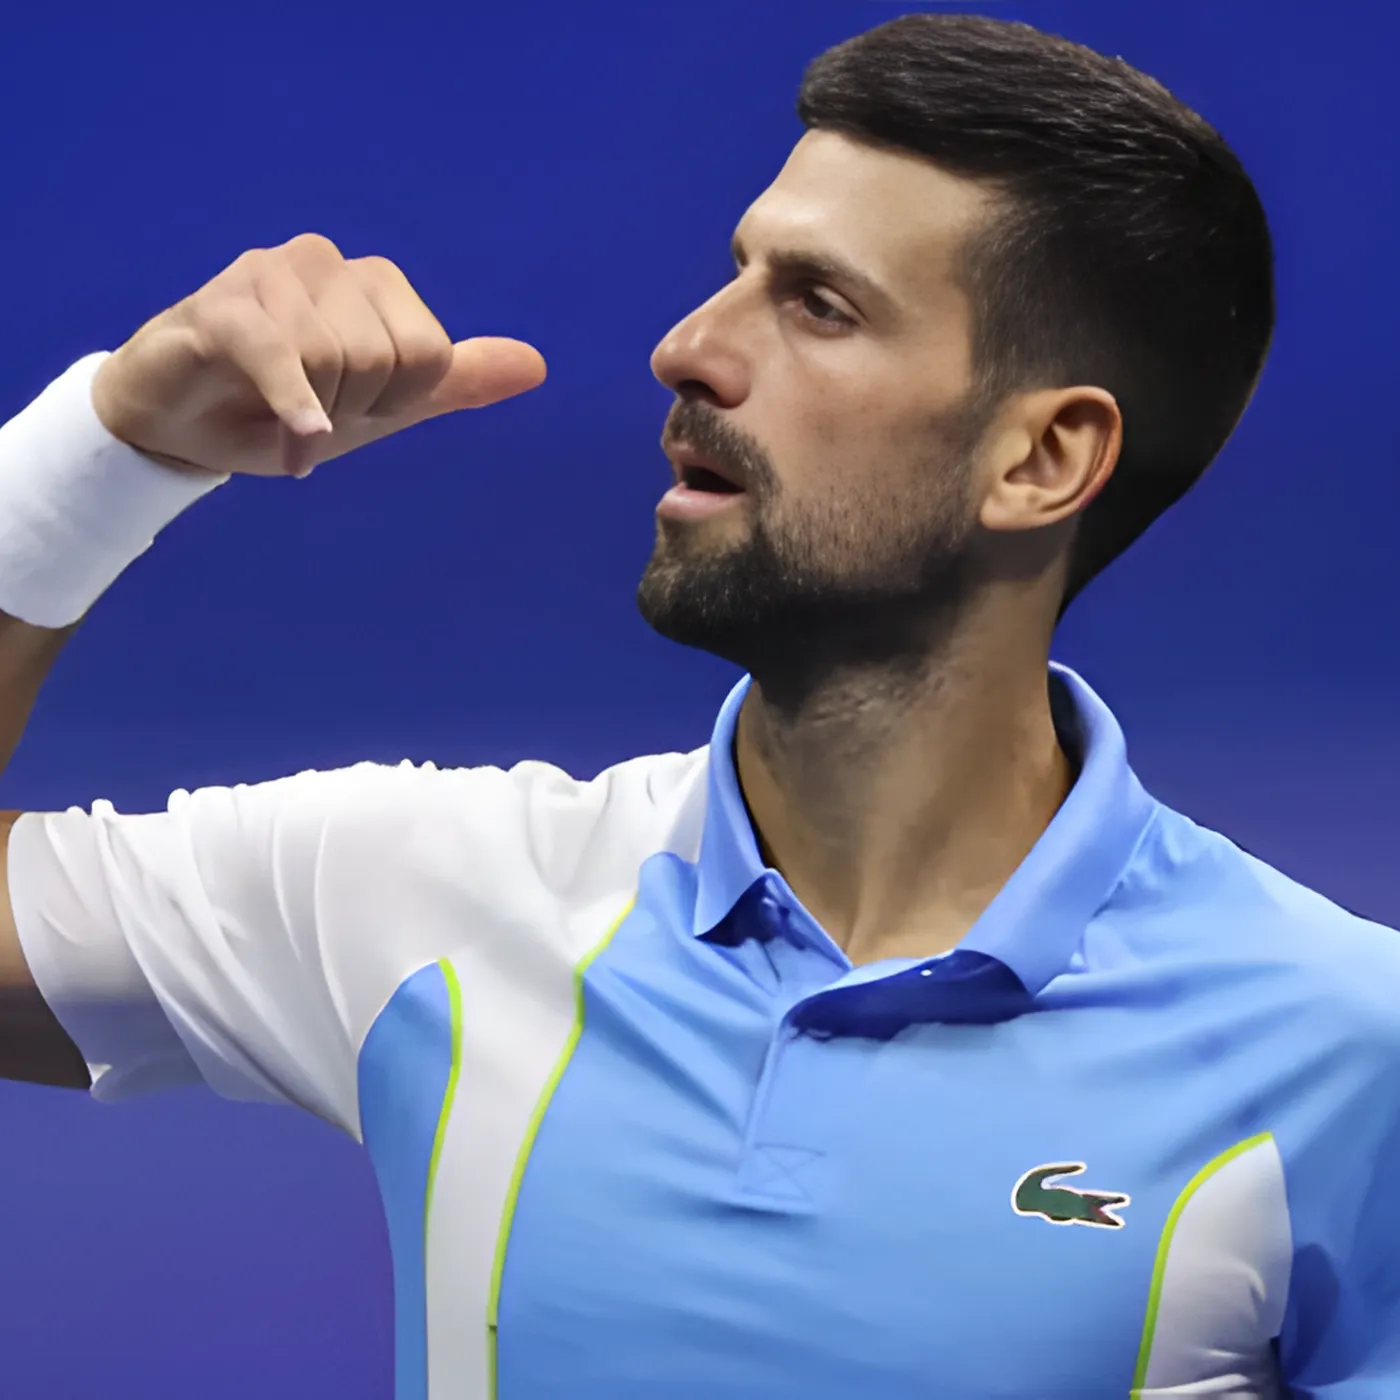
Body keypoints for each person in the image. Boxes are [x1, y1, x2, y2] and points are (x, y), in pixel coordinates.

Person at [0, 11, 1394, 1398]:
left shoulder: (1345, 1053)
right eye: (738, 273)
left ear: (1042, 459)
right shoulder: (419, 892)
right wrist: (105, 453)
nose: (688, 347)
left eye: (821, 306)